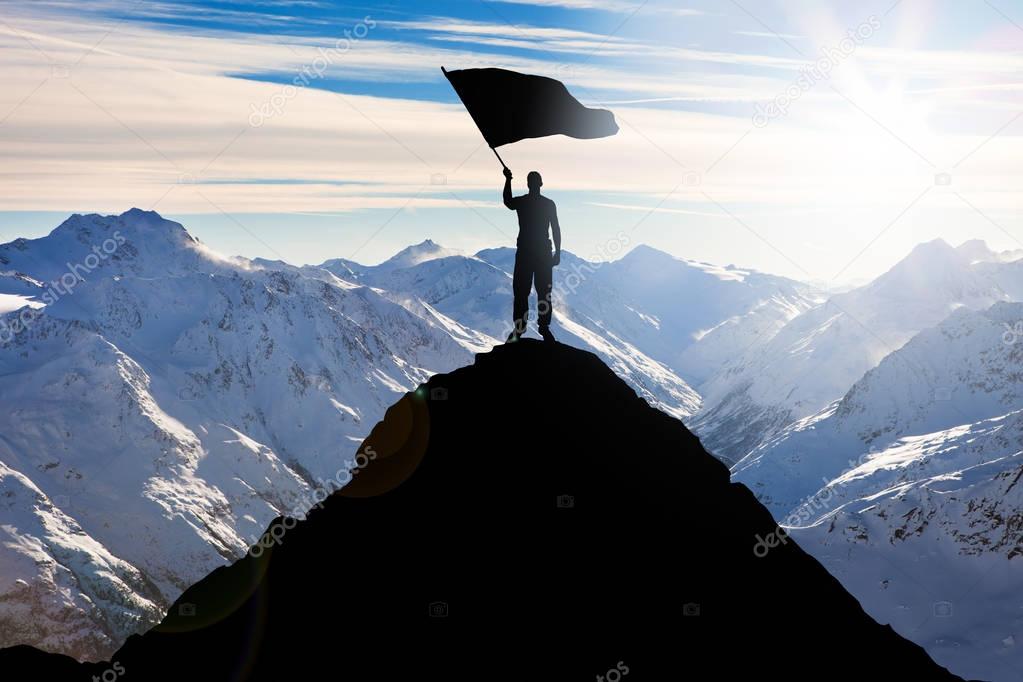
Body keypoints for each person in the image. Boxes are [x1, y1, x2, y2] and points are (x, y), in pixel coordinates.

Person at [502, 167, 561, 343]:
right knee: (543, 292)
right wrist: (557, 252)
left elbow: (507, 201)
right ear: (540, 184)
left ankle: (520, 329)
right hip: (542, 252)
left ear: (528, 184)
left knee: (522, 291)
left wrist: (508, 180)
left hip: (526, 252)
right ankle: (543, 328)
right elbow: (556, 228)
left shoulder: (523, 202)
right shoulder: (548, 204)